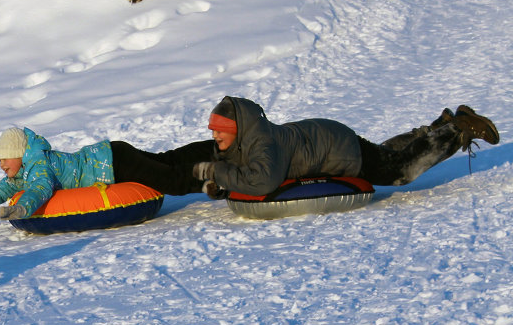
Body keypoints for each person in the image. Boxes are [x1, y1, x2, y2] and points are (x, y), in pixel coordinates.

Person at [192, 96, 500, 197]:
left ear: (238, 129)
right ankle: (436, 128)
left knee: (398, 171)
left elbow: (263, 180)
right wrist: (223, 182)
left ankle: (458, 129)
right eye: (214, 131)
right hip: (331, 138)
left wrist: (218, 172)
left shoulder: (263, 144)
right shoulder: (250, 139)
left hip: (337, 149)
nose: (216, 137)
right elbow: (246, 172)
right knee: (384, 155)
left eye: (221, 131)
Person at [0, 127, 213, 220]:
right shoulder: (24, 171)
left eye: (4, 158)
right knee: (166, 161)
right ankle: (214, 148)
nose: (1, 164)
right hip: (112, 154)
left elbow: (40, 189)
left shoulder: (39, 166)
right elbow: (3, 188)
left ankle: (224, 180)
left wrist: (23, 209)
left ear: (20, 153)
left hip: (114, 163)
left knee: (172, 182)